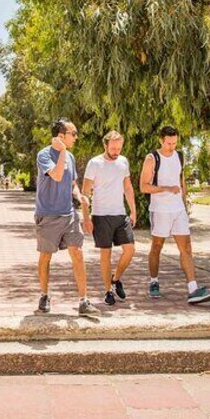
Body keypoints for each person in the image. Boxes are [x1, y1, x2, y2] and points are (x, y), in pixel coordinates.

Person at [140, 126, 210, 304]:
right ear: (161, 140)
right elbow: (144, 186)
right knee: (157, 247)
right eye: (168, 143)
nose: (171, 146)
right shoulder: (152, 158)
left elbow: (181, 181)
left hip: (178, 210)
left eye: (174, 143)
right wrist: (166, 189)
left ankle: (193, 289)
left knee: (187, 248)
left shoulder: (179, 156)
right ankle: (154, 281)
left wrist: (184, 203)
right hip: (160, 210)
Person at [34, 118, 99, 316]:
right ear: (61, 136)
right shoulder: (44, 155)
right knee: (46, 256)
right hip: (48, 214)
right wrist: (61, 151)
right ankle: (44, 295)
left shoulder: (69, 156)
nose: (76, 137)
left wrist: (79, 196)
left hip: (69, 213)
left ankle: (84, 301)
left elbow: (71, 183)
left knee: (77, 252)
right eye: (73, 133)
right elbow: (56, 175)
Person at [81, 130, 137, 306]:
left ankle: (116, 278)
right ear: (105, 145)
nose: (116, 151)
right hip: (100, 215)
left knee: (130, 249)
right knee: (106, 254)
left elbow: (127, 187)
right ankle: (108, 291)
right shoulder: (94, 163)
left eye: (119, 148)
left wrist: (133, 211)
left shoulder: (123, 162)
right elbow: (85, 192)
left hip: (120, 214)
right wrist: (86, 217)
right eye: (113, 148)